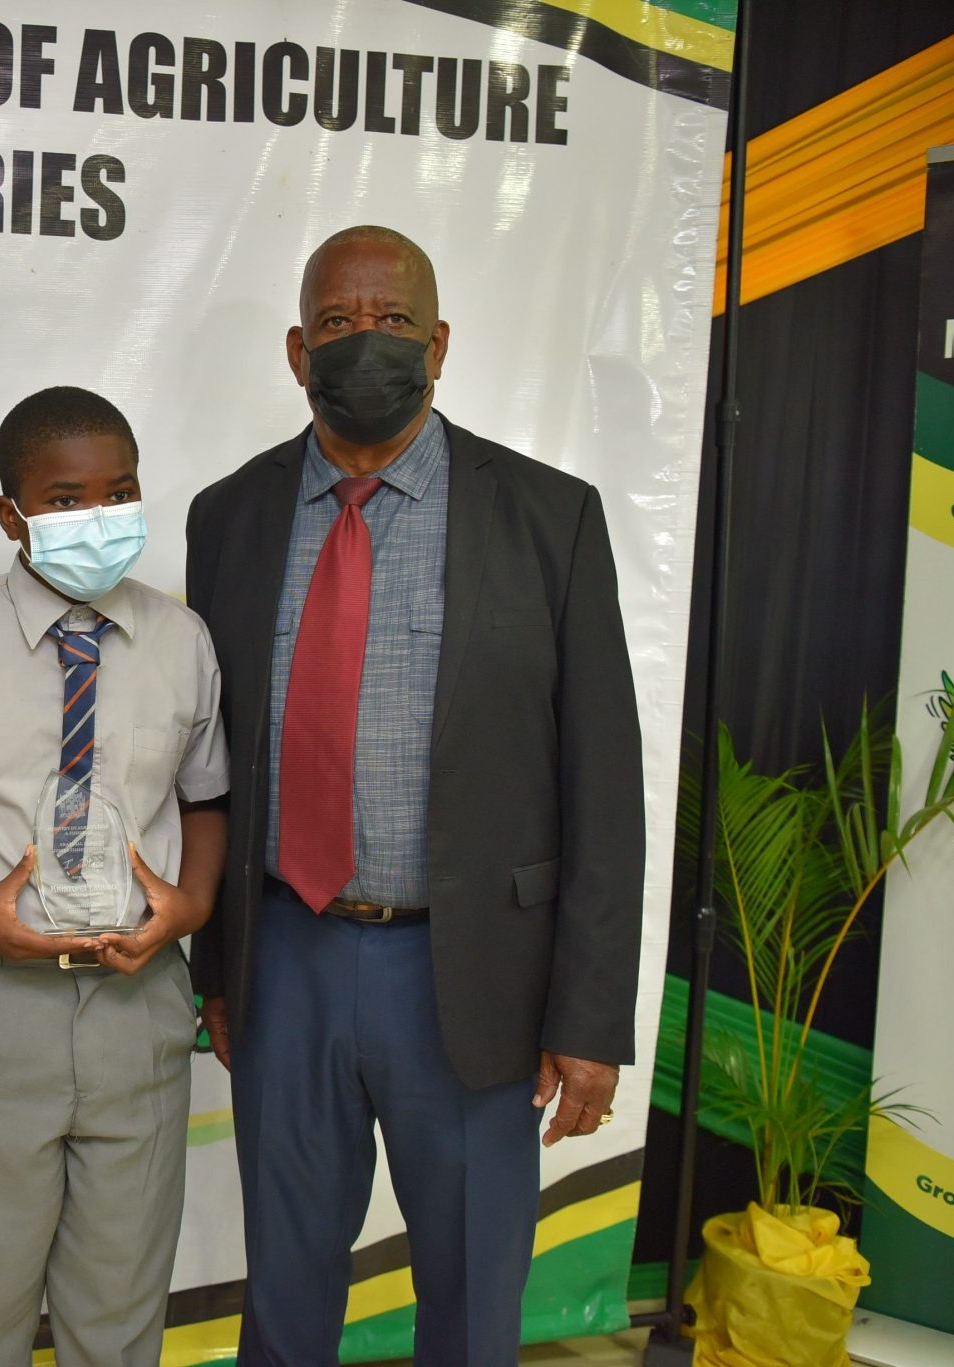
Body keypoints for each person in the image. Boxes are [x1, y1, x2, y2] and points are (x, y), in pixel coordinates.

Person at [184, 226, 644, 1366]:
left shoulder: (547, 517)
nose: (363, 343)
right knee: (284, 1292)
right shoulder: (227, 517)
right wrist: (219, 969)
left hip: (470, 974)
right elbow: (209, 763)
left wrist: (586, 1020)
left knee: (473, 1295)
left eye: (390, 322)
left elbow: (603, 778)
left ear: (439, 342)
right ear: (296, 351)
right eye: (336, 324)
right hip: (284, 959)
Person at [0, 386, 230, 1366]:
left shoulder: (180, 642)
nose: (97, 518)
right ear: (10, 514)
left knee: (117, 1319)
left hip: (137, 1003)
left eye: (119, 492)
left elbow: (206, 801)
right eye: (66, 499)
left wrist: (190, 904)